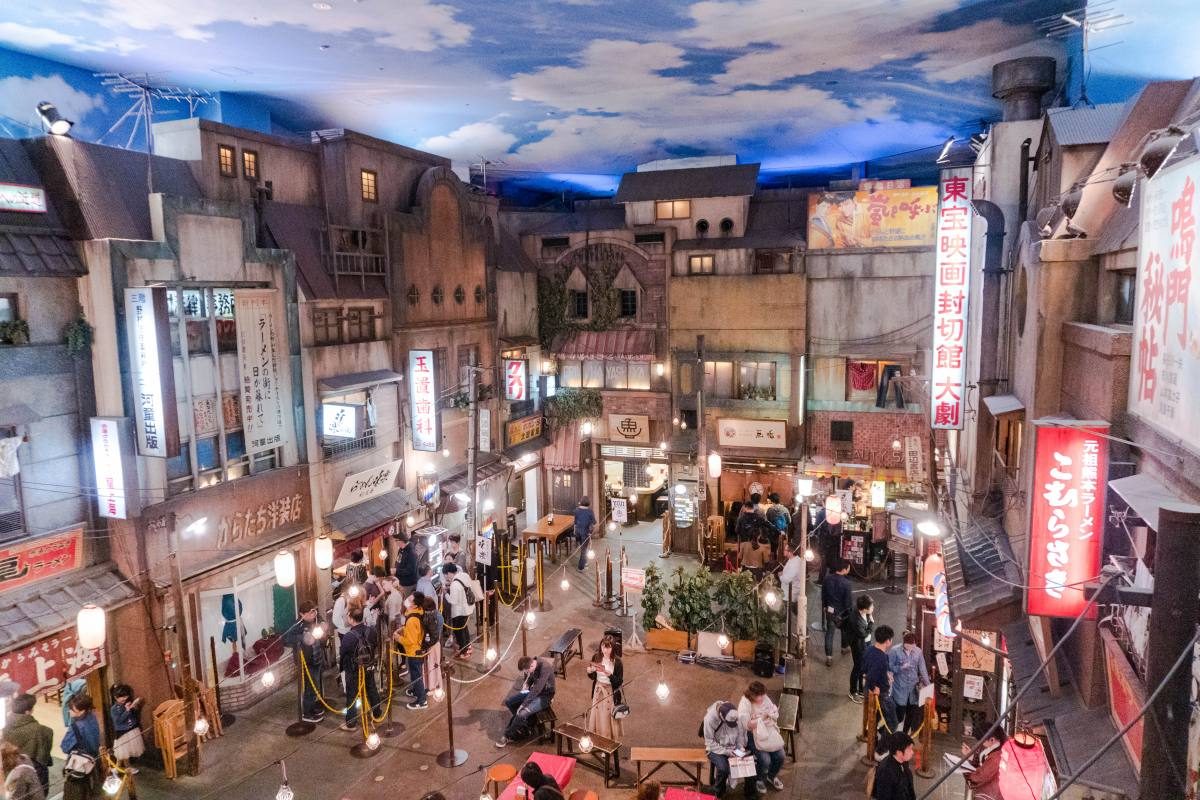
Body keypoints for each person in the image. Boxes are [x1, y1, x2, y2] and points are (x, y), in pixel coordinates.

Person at [495, 655, 556, 747]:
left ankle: (507, 735)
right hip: (533, 692)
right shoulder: (534, 661)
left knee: (521, 713)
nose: (527, 673)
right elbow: (531, 677)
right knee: (509, 702)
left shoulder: (545, 668)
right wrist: (527, 683)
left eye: (527, 671)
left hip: (545, 696)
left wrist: (523, 705)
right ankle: (526, 723)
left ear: (531, 666)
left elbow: (537, 689)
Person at [737, 681, 785, 794]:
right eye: (760, 696)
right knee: (765, 759)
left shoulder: (764, 697)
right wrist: (761, 719)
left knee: (781, 755)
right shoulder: (745, 703)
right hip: (751, 734)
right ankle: (760, 780)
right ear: (753, 695)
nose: (763, 698)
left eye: (764, 695)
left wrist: (771, 714)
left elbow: (770, 709)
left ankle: (771, 776)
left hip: (767, 731)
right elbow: (747, 725)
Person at [338, 606, 382, 730]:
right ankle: (377, 713)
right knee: (371, 688)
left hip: (353, 669)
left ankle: (351, 722)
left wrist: (342, 668)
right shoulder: (371, 631)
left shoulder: (349, 636)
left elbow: (343, 653)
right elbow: (375, 645)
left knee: (352, 695)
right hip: (369, 666)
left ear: (351, 619)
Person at [283, 600, 326, 724]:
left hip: (317, 657)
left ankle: (313, 707)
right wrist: (302, 637)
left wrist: (323, 625)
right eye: (311, 612)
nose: (314, 614)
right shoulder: (298, 625)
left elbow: (322, 622)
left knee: (316, 685)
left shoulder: (317, 619)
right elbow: (287, 638)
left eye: (315, 611)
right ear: (302, 614)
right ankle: (307, 713)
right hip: (307, 661)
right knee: (310, 687)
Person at [1, 694, 51, 797]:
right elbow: (43, 757)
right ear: (27, 711)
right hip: (33, 768)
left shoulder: (5, 725)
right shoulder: (40, 730)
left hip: (11, 765)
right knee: (37, 793)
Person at [701, 700, 748, 797]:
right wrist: (727, 752)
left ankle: (749, 792)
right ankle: (718, 792)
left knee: (749, 764)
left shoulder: (734, 715)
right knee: (723, 769)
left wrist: (740, 748)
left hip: (733, 748)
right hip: (715, 749)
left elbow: (740, 735)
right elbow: (709, 742)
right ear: (721, 717)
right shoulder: (709, 719)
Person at [889, 632, 930, 733]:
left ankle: (904, 734)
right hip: (899, 688)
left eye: (913, 646)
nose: (911, 648)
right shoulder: (895, 651)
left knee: (911, 714)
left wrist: (928, 686)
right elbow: (889, 668)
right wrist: (901, 668)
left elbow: (922, 669)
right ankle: (887, 730)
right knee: (899, 714)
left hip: (913, 689)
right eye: (908, 646)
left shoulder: (918, 652)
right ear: (904, 643)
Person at [61, 693, 100, 800]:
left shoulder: (76, 726)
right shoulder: (92, 717)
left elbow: (65, 747)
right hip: (93, 760)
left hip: (79, 764)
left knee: (75, 792)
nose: (69, 711)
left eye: (72, 710)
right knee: (91, 790)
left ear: (81, 711)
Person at [585, 634, 624, 740]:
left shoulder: (617, 662)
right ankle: (596, 740)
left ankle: (608, 742)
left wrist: (609, 675)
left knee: (606, 718)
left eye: (608, 647)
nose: (605, 650)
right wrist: (590, 671)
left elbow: (619, 682)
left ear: (612, 647)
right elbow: (593, 677)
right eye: (603, 646)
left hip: (610, 691)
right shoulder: (596, 657)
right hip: (598, 690)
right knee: (597, 716)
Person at [395, 592, 429, 710]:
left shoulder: (411, 620)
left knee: (416, 675)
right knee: (416, 674)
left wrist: (398, 638)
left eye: (410, 598)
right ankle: (416, 690)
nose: (407, 599)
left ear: (414, 605)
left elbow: (410, 640)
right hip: (418, 649)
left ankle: (421, 701)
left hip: (414, 651)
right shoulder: (418, 612)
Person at [863, 626, 897, 732]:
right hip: (880, 694)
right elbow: (871, 675)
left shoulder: (869, 649)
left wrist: (885, 674)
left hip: (868, 689)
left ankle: (872, 735)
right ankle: (881, 747)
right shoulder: (882, 657)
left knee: (874, 717)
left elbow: (863, 668)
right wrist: (875, 687)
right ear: (888, 641)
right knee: (892, 723)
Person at [821, 561, 852, 667]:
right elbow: (848, 602)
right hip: (842, 612)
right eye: (848, 568)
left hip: (830, 610)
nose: (849, 570)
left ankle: (829, 657)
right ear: (844, 569)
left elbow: (823, 594)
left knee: (829, 633)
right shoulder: (847, 583)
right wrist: (850, 612)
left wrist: (825, 606)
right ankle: (844, 648)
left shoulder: (827, 579)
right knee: (844, 630)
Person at [959, 730, 1007, 799]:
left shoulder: (996, 758)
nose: (981, 743)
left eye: (983, 741)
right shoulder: (995, 747)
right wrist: (971, 756)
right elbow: (983, 764)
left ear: (992, 740)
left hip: (989, 794)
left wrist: (965, 771)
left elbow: (978, 778)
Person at [845, 594, 875, 702]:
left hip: (865, 643)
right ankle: (853, 691)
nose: (873, 608)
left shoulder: (863, 613)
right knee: (857, 668)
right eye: (871, 606)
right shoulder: (856, 620)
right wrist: (871, 623)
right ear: (864, 608)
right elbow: (863, 634)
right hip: (858, 646)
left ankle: (861, 689)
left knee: (863, 667)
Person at [108, 684, 144, 772]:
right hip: (122, 733)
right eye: (121, 697)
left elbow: (132, 717)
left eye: (126, 696)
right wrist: (127, 710)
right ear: (115, 697)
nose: (124, 698)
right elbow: (118, 721)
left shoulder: (127, 703)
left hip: (131, 730)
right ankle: (125, 768)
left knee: (124, 752)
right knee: (123, 752)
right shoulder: (114, 709)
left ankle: (118, 768)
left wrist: (134, 707)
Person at [443, 563, 474, 658]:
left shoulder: (454, 585)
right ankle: (468, 647)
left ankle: (464, 651)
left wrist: (445, 594)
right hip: (468, 608)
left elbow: (453, 601)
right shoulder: (464, 575)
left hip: (460, 611)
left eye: (445, 575)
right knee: (464, 629)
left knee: (459, 632)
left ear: (448, 573)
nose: (446, 577)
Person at [872, 733, 916, 800]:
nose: (912, 752)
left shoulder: (903, 761)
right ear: (899, 752)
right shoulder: (885, 772)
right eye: (909, 749)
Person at [574, 497, 597, 571]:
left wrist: (575, 531)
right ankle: (581, 567)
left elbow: (575, 522)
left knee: (583, 548)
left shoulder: (577, 510)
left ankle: (585, 562)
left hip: (578, 532)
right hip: (585, 533)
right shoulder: (590, 511)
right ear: (588, 503)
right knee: (584, 550)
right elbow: (594, 522)